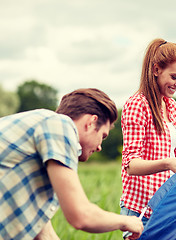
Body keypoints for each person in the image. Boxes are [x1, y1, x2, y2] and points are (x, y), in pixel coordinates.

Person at [0, 88, 143, 240]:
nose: (100, 147)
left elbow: (45, 235)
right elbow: (81, 216)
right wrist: (126, 221)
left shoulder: (41, 143)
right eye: (103, 136)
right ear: (91, 122)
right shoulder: (59, 124)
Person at [120, 38, 176, 239]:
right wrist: (167, 163)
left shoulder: (171, 106)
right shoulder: (137, 105)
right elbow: (131, 164)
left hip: (166, 206)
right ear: (156, 69)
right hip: (140, 210)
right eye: (175, 77)